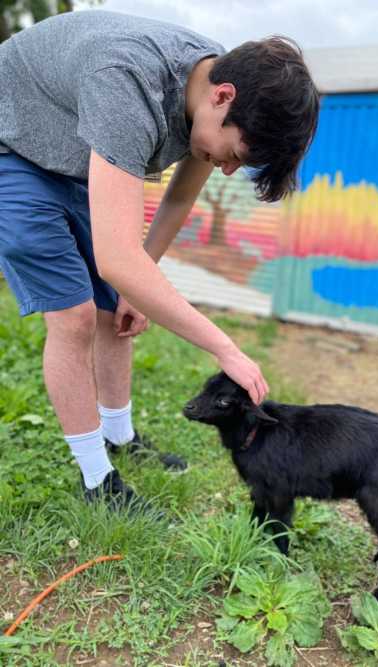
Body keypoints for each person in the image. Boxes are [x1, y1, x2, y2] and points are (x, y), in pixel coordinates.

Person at [0, 10, 319, 509]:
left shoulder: (217, 84)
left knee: (117, 306)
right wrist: (225, 348)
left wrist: (133, 283)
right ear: (222, 96)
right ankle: (95, 480)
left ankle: (120, 437)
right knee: (75, 315)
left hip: (74, 152)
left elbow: (176, 200)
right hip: (12, 144)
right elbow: (117, 258)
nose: (230, 170)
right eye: (235, 154)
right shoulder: (128, 85)